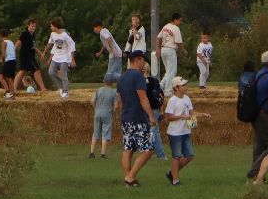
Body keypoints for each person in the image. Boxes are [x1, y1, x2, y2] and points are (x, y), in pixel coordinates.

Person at [114, 50, 156, 187]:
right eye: (143, 60)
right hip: (138, 117)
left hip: (126, 117)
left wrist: (122, 115)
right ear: (138, 60)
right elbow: (143, 98)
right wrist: (150, 116)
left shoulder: (122, 77)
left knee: (128, 149)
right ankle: (131, 177)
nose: (144, 64)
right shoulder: (138, 76)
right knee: (148, 149)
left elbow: (119, 101)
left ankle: (128, 179)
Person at [164, 77, 209, 186]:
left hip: (185, 131)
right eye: (183, 85)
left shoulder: (187, 98)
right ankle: (175, 180)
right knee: (177, 156)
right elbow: (168, 117)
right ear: (176, 88)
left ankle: (172, 173)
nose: (186, 87)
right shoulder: (172, 101)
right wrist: (181, 117)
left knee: (189, 155)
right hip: (175, 133)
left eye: (185, 85)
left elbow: (191, 113)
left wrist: (203, 114)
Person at [245, 52, 268, 180]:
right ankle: (255, 170)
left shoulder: (259, 74)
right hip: (264, 115)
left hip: (256, 114)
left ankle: (257, 176)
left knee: (259, 145)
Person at [45, 18, 76, 98]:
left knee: (63, 74)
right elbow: (49, 44)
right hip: (56, 57)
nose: (50, 27)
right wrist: (44, 52)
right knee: (51, 72)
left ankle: (65, 92)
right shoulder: (52, 34)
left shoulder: (65, 35)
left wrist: (72, 59)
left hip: (65, 57)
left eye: (51, 26)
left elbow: (72, 44)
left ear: (55, 26)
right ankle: (61, 87)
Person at [157, 13, 186, 92]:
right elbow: (178, 42)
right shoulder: (176, 28)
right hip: (170, 50)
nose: (180, 22)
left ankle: (161, 85)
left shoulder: (166, 26)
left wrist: (158, 49)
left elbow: (158, 37)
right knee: (172, 71)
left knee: (168, 71)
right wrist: (183, 50)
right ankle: (168, 90)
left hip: (163, 49)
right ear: (175, 20)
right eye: (180, 20)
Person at [89, 73, 117, 159]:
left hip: (98, 113)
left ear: (103, 81)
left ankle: (92, 153)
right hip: (107, 114)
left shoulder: (99, 90)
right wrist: (112, 112)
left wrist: (96, 109)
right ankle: (103, 154)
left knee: (96, 133)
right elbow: (116, 106)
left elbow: (92, 101)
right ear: (112, 82)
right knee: (105, 133)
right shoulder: (114, 92)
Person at [17, 19, 45, 94]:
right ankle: (43, 89)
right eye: (32, 26)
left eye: (35, 26)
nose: (33, 28)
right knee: (37, 70)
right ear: (28, 26)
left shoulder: (32, 35)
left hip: (30, 56)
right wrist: (12, 52)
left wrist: (40, 52)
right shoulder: (25, 33)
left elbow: (33, 47)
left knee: (22, 71)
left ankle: (13, 88)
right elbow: (18, 43)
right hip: (26, 56)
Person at [0, 28, 18, 100]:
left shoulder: (3, 42)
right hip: (13, 61)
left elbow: (3, 53)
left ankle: (7, 92)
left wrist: (1, 59)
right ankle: (12, 94)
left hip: (8, 61)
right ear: (8, 35)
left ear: (0, 36)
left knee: (0, 76)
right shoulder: (11, 42)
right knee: (10, 78)